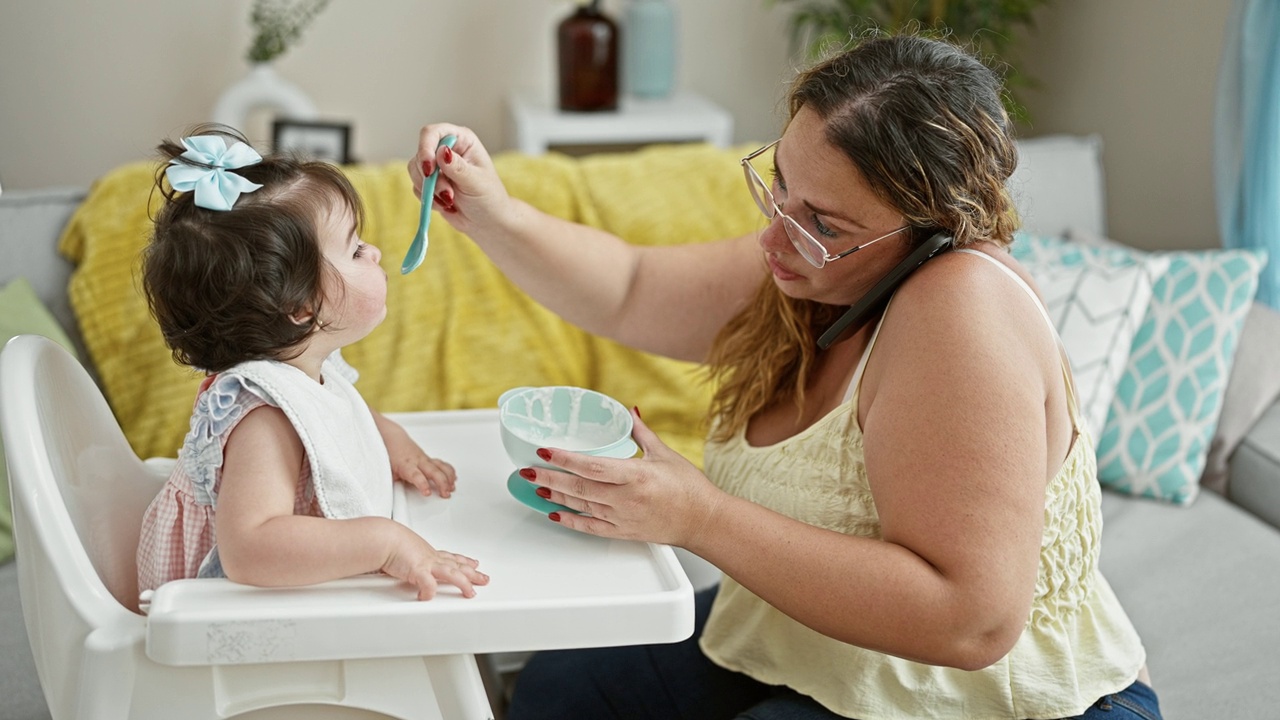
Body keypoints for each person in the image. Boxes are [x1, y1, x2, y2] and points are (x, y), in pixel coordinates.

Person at [410, 35, 1161, 720]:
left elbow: (971, 620)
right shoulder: (817, 264)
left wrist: (697, 517)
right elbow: (632, 287)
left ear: (932, 229)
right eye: (779, 185)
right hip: (816, 645)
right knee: (559, 694)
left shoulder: (960, 314)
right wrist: (493, 214)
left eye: (824, 222)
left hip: (996, 701)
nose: (776, 234)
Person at [135, 125, 488, 603]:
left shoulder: (303, 366)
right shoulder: (264, 417)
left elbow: (334, 415)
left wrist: (393, 445)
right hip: (220, 622)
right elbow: (250, 548)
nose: (376, 251)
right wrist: (386, 543)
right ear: (301, 308)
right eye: (356, 249)